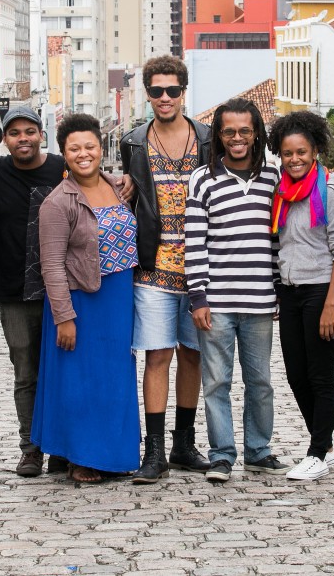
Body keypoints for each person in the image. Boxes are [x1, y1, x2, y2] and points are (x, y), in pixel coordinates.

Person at [32, 113, 141, 484]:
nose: (83, 154)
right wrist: (64, 316)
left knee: (115, 379)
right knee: (79, 382)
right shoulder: (57, 202)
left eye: (89, 146)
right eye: (74, 148)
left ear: (100, 147)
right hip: (81, 301)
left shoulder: (118, 186)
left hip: (119, 297)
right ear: (63, 153)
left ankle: (113, 455)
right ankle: (80, 457)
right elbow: (51, 265)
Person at [185, 98, 289, 484]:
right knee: (216, 382)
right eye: (229, 131)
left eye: (245, 130)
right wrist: (198, 296)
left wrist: (278, 288)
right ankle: (222, 455)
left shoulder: (273, 176)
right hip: (217, 302)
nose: (237, 138)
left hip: (260, 300)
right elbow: (195, 242)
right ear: (219, 135)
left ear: (257, 132)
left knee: (260, 381)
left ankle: (259, 451)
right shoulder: (203, 179)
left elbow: (278, 238)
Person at [120, 55, 212, 483]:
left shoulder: (207, 139)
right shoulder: (133, 142)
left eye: (171, 90)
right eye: (155, 90)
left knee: (192, 356)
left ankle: (184, 443)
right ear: (147, 93)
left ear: (183, 92)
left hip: (200, 269)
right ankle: (153, 452)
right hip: (154, 267)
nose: (164, 98)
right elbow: (129, 191)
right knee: (156, 357)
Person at [0, 106, 68, 477]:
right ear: (5, 138)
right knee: (26, 372)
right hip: (14, 289)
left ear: (40, 134)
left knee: (63, 369)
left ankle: (62, 447)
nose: (22, 138)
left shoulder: (62, 168)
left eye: (29, 131)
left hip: (62, 289)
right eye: (14, 133)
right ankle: (30, 449)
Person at [268, 111, 334, 482]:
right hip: (290, 292)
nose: (295, 159)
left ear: (315, 150)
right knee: (295, 375)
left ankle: (317, 453)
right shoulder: (281, 192)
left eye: (301, 152)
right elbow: (278, 244)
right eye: (288, 153)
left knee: (319, 375)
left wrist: (332, 303)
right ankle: (326, 447)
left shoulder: (329, 191)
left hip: (320, 291)